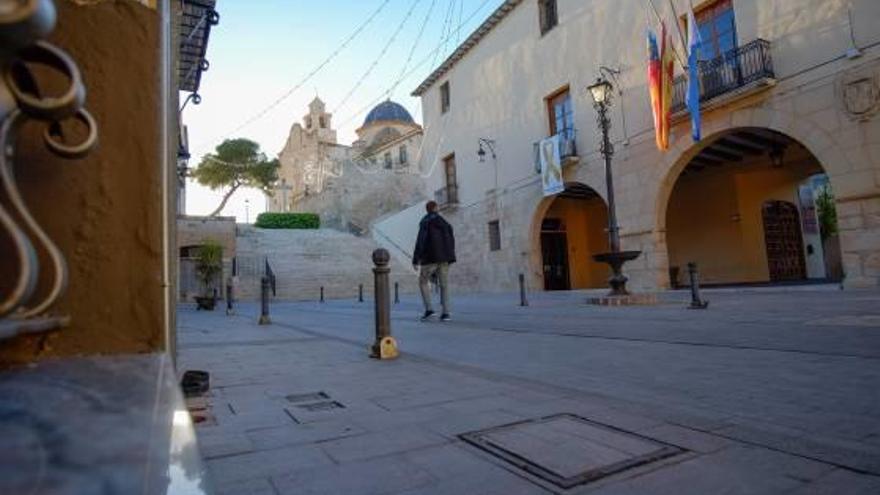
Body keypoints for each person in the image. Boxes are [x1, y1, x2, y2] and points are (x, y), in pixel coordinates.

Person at [412, 200, 455, 321]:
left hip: (430, 258)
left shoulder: (425, 221)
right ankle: (446, 313)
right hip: (445, 258)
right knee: (444, 285)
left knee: (423, 282)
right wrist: (450, 256)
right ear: (436, 208)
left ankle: (429, 310)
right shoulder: (445, 223)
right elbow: (451, 240)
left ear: (427, 210)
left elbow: (421, 240)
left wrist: (416, 259)